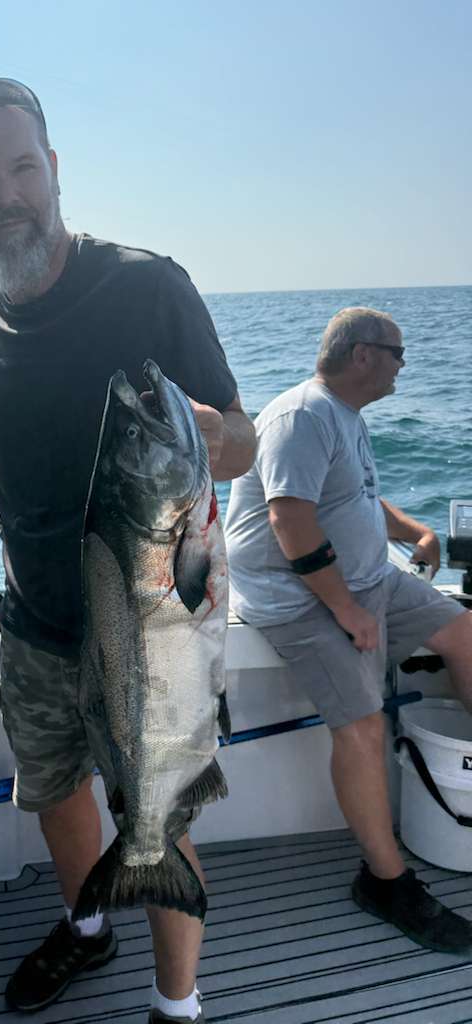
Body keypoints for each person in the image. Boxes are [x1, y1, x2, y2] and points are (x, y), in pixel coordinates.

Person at [0, 78, 256, 1023]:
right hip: (36, 626)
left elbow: (242, 441)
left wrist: (208, 436)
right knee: (53, 792)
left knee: (158, 811)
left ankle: (177, 1004)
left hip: (156, 630)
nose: (6, 195)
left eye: (22, 168)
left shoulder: (148, 286)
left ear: (54, 168)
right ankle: (87, 928)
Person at [225, 307, 472, 954]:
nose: (403, 367)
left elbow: (353, 495)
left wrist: (413, 530)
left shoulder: (344, 414)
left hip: (368, 578)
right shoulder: (302, 416)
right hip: (299, 597)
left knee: (465, 633)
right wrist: (346, 610)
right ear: (363, 354)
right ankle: (385, 881)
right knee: (362, 725)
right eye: (398, 354)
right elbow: (290, 520)